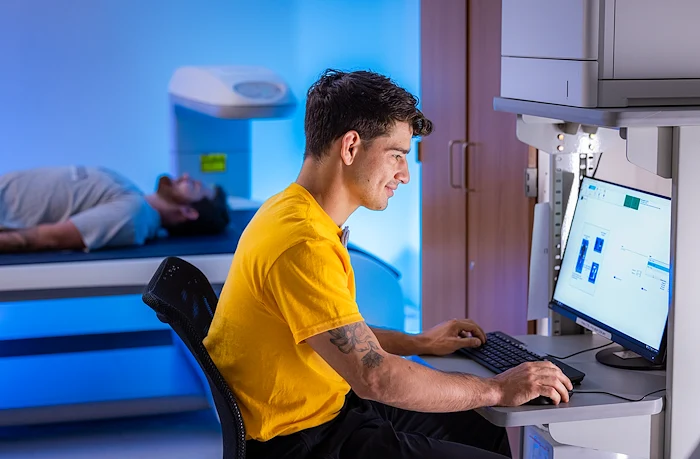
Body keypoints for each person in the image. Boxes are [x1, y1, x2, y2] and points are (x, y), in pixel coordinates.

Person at [203, 69, 573, 459]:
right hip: (302, 442)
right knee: (486, 413)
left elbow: (341, 333)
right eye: (396, 155)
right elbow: (374, 376)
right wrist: (497, 388)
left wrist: (420, 342)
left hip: (323, 409)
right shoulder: (303, 243)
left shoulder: (289, 209)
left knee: (477, 423)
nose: (405, 175)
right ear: (350, 147)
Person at [0, 166, 229, 252]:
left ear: (190, 212)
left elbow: (46, 238)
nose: (186, 176)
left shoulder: (132, 215)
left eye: (195, 186)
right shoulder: (130, 191)